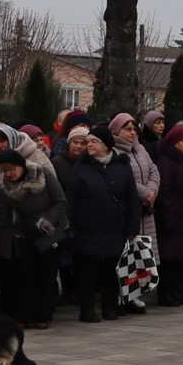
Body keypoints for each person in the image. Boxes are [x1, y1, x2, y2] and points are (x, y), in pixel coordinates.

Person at [0, 147, 67, 328]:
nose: (9, 174)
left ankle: (43, 316)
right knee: (26, 275)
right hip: (24, 233)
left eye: (12, 169)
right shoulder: (4, 187)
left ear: (21, 165)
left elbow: (60, 201)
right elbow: (0, 216)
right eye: (4, 170)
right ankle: (24, 315)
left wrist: (46, 223)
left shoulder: (42, 174)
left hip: (49, 233)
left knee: (46, 276)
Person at [64, 127, 135, 323]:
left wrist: (132, 228)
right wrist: (69, 227)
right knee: (86, 272)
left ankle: (110, 307)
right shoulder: (81, 167)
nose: (89, 145)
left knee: (111, 271)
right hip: (87, 228)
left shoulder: (122, 166)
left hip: (115, 228)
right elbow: (71, 199)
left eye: (94, 141)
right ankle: (87, 310)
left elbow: (131, 198)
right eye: (88, 141)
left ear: (106, 145)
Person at [153, 124, 183, 306]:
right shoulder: (165, 162)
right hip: (172, 218)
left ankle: (177, 291)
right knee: (169, 260)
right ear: (173, 143)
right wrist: (168, 217)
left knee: (181, 259)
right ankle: (166, 293)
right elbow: (164, 192)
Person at [111, 112, 161, 255]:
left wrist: (152, 192)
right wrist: (144, 193)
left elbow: (154, 170)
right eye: (127, 129)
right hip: (129, 210)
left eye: (134, 129)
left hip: (147, 209)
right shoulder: (114, 152)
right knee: (130, 260)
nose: (133, 132)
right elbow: (121, 177)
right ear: (116, 131)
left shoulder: (141, 149)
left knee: (147, 258)